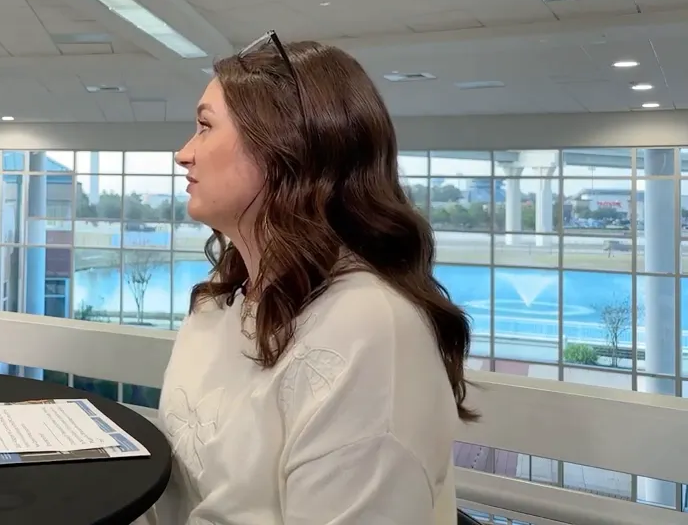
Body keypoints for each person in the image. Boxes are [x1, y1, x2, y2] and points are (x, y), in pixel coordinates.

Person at [151, 32, 474, 525]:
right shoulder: (219, 304)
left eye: (204, 127)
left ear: (283, 147)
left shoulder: (370, 330)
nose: (183, 153)